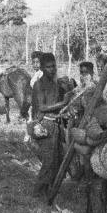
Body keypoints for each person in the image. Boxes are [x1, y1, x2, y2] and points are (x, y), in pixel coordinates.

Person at [28, 53, 77, 196]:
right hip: (44, 125)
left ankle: (48, 189)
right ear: (42, 68)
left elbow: (57, 105)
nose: (52, 69)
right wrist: (63, 103)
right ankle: (37, 192)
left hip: (56, 124)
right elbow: (42, 107)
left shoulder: (55, 84)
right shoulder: (39, 84)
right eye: (48, 67)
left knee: (58, 159)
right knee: (49, 161)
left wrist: (65, 109)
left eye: (54, 66)